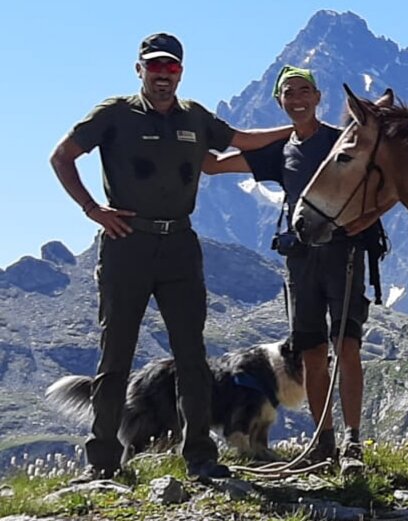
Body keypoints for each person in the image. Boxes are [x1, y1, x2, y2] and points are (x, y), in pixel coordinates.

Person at [49, 33, 296, 481]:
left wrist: (298, 129)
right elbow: (62, 156)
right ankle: (102, 464)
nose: (163, 75)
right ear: (139, 69)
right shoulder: (114, 114)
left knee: (192, 355)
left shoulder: (195, 116)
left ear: (180, 72)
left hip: (180, 245)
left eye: (171, 68)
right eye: (154, 67)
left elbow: (239, 139)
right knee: (116, 353)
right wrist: (92, 210)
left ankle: (200, 456)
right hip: (128, 242)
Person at [203, 66, 380, 473]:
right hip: (301, 261)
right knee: (313, 353)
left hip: (344, 254)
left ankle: (352, 443)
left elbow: (389, 185)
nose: (298, 99)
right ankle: (323, 443)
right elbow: (212, 166)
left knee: (347, 347)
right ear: (279, 101)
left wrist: (366, 221)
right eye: (289, 93)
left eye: (305, 91)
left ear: (319, 98)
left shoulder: (342, 142)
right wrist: (186, 128)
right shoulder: (278, 151)